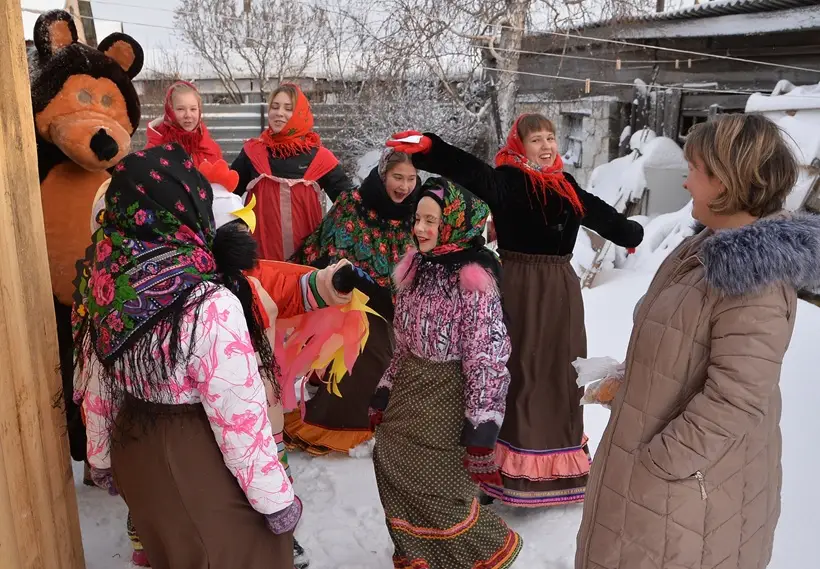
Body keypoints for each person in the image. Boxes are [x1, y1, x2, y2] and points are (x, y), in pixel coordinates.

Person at [576, 114, 820, 569]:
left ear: (729, 181)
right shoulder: (704, 248)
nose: (686, 183)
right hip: (661, 485)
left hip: (686, 494)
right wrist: (633, 381)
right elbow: (685, 347)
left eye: (696, 170)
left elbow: (737, 399)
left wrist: (660, 464)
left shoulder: (755, 281)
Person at [388, 115, 644, 507]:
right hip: (517, 289)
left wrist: (630, 234)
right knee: (516, 372)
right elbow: (470, 170)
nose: (546, 146)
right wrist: (430, 148)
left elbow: (602, 215)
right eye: (536, 139)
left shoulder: (567, 187)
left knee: (559, 373)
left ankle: (557, 466)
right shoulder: (507, 181)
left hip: (560, 293)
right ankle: (499, 469)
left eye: (551, 137)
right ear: (519, 145)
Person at [73, 144, 301, 569]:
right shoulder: (206, 299)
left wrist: (101, 456)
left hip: (135, 452)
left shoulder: (107, 286)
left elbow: (97, 383)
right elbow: (239, 416)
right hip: (197, 455)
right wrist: (275, 502)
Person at [370, 177, 522, 569]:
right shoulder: (415, 268)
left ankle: (480, 553)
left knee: (438, 487)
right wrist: (385, 389)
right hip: (410, 386)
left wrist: (482, 423)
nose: (419, 229)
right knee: (387, 460)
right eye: (417, 219)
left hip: (449, 394)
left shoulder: (473, 278)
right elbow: (402, 341)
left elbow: (485, 355)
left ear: (452, 223)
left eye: (430, 221)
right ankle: (418, 554)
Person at [284, 148, 421, 455]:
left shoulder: (417, 212)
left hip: (396, 303)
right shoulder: (353, 204)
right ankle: (337, 422)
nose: (404, 186)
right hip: (350, 297)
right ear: (384, 174)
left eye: (411, 179)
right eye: (398, 177)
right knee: (372, 345)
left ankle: (382, 416)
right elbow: (327, 252)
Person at [231, 83, 354, 261]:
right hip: (261, 263)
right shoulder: (253, 153)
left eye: (288, 108)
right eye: (275, 106)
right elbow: (228, 197)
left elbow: (349, 205)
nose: (279, 112)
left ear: (300, 114)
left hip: (307, 264)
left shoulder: (320, 158)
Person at [145, 81, 222, 167]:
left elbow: (221, 178)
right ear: (170, 111)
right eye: (180, 109)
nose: (188, 115)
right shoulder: (155, 148)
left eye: (193, 109)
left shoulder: (211, 149)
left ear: (199, 110)